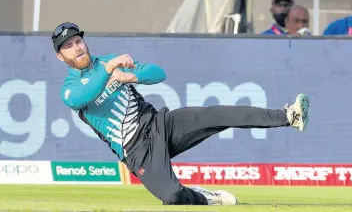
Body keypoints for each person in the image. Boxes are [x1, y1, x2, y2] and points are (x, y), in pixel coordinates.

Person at [52, 22, 310, 206]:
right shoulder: (70, 88)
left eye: (78, 41)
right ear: (61, 57)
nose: (76, 47)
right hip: (136, 151)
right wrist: (109, 69)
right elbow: (82, 98)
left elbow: (158, 73)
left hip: (158, 124)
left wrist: (133, 76)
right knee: (173, 197)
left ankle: (288, 116)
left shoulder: (109, 62)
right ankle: (206, 198)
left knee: (217, 115)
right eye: (68, 46)